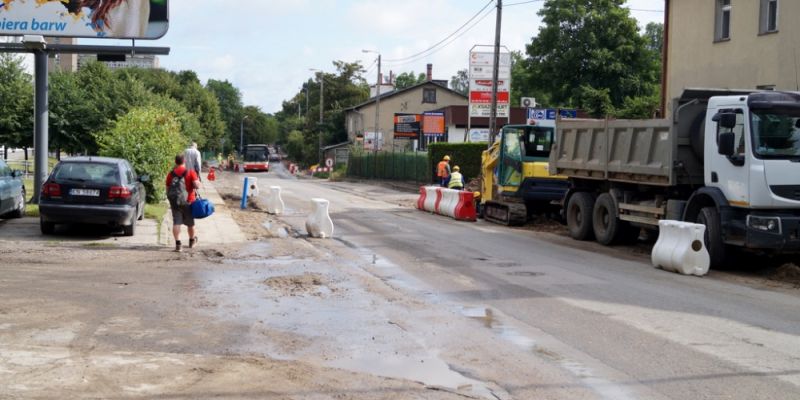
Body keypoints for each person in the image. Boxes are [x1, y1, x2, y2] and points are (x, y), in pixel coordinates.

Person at [166, 154, 201, 253]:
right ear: (184, 161)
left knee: (176, 222)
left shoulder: (171, 173)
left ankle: (178, 244)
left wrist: (171, 199)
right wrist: (197, 182)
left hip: (175, 202)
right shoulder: (190, 172)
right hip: (188, 201)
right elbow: (197, 185)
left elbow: (167, 188)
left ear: (175, 161)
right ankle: (191, 242)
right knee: (190, 223)